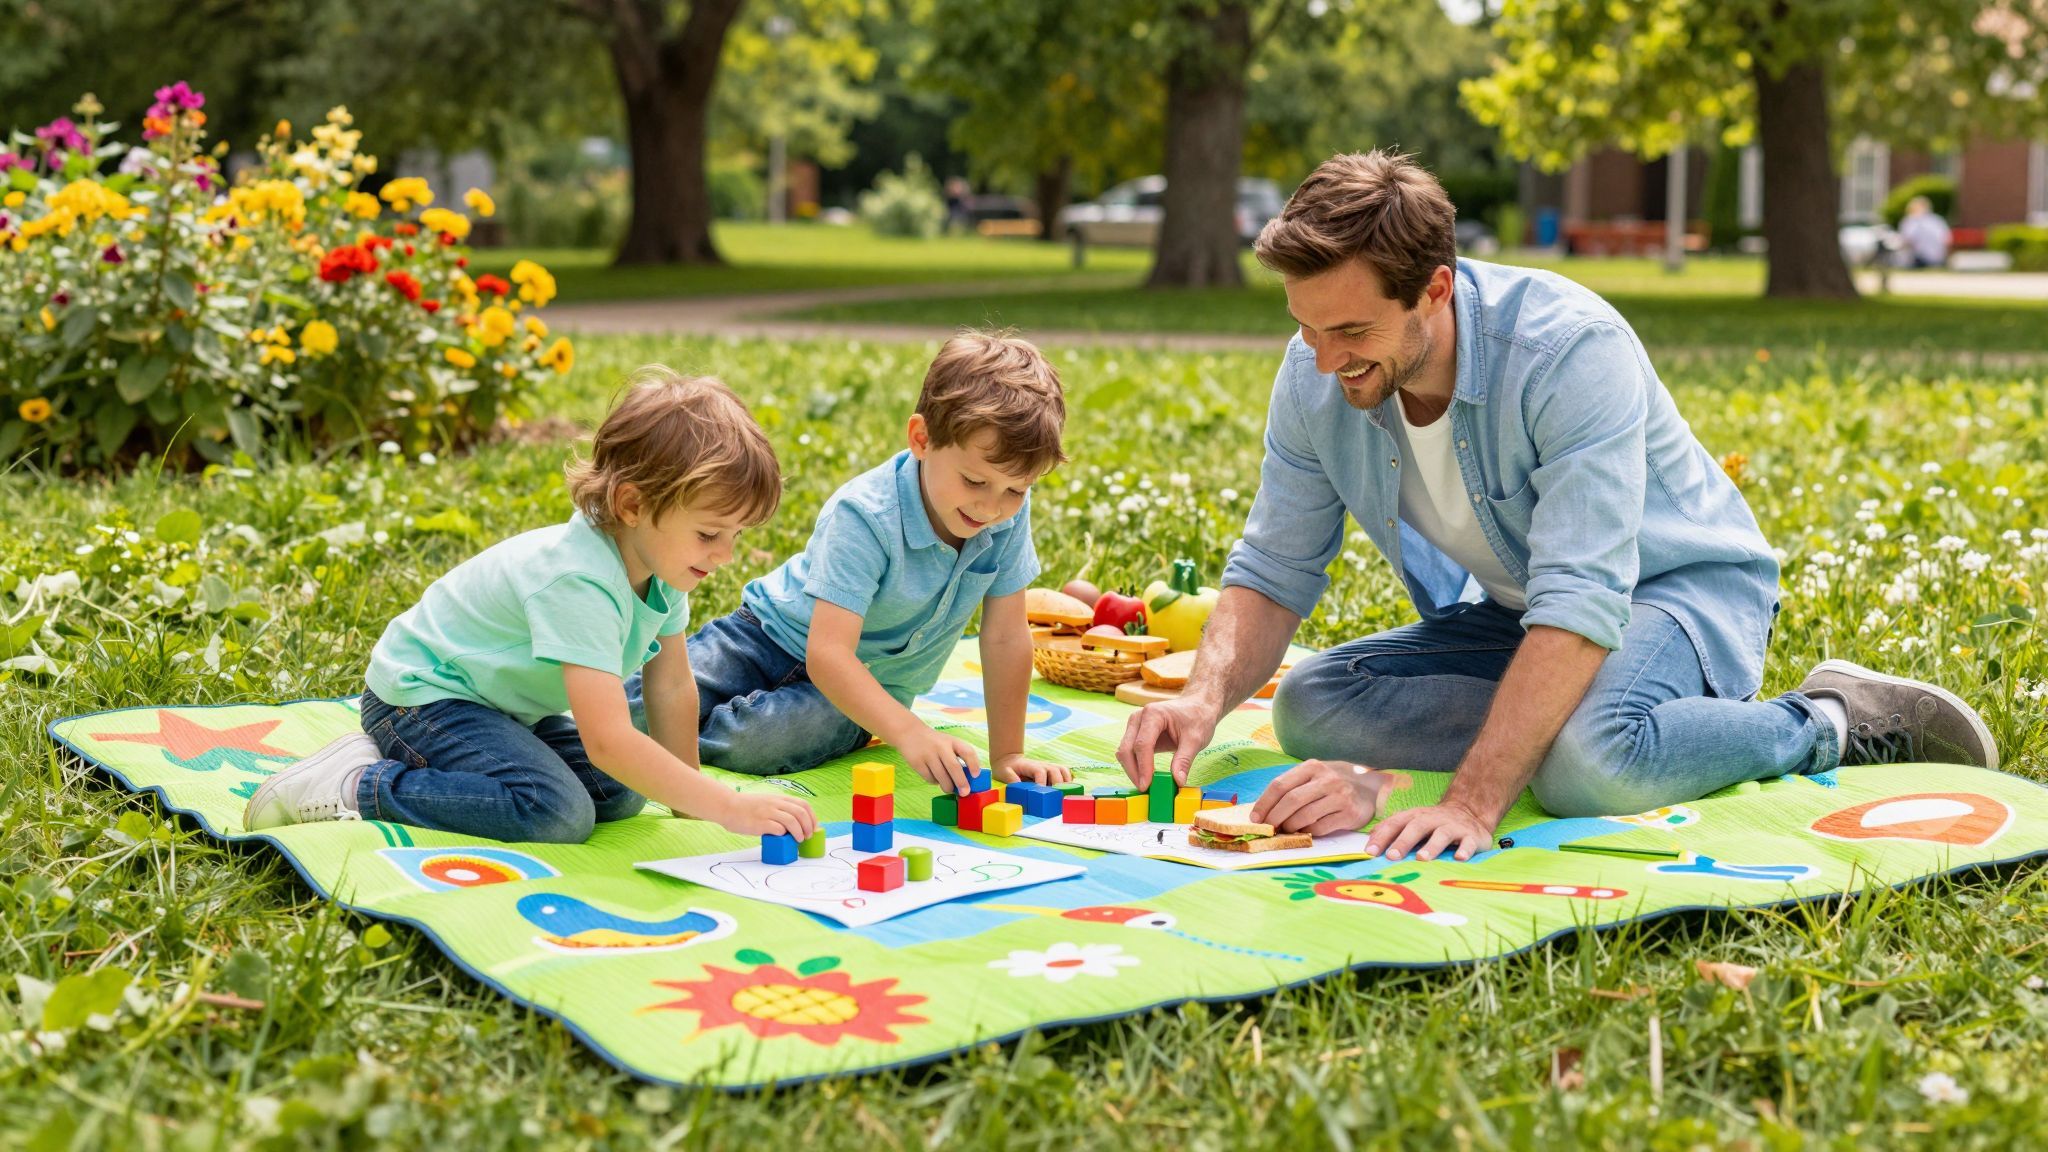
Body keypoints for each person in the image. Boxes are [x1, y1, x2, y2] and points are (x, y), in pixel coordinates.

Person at [1117, 150, 1996, 864]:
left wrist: (1473, 800)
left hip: (1674, 594)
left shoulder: (1568, 350)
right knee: (1309, 705)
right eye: (1307, 327)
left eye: (1349, 332)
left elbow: (1581, 599)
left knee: (1590, 765)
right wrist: (1202, 701)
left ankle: (1827, 721)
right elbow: (1273, 567)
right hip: (1519, 615)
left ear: (1434, 288)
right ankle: (1561, 718)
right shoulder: (1317, 371)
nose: (1321, 360)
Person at [246, 368, 816, 845]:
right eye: (710, 533)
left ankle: (431, 765)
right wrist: (727, 806)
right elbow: (608, 738)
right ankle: (359, 783)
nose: (725, 555)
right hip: (422, 698)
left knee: (620, 793)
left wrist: (693, 795)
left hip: (498, 708)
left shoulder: (662, 570)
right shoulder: (579, 580)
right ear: (634, 504)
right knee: (556, 812)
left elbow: (669, 686)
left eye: (737, 535)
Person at [629, 330, 1074, 794]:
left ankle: (667, 746)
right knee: (638, 708)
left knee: (760, 741)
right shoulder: (866, 514)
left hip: (859, 696)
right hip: (763, 636)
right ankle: (633, 734)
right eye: (974, 481)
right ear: (922, 439)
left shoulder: (1008, 517)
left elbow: (1004, 636)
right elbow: (828, 652)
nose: (991, 508)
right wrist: (910, 733)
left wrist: (1008, 753)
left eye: (1015, 490)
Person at [1897, 196, 1952, 269]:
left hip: (1920, 259)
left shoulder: (1911, 221)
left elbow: (1907, 240)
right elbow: (1947, 240)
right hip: (1938, 258)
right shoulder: (1938, 220)